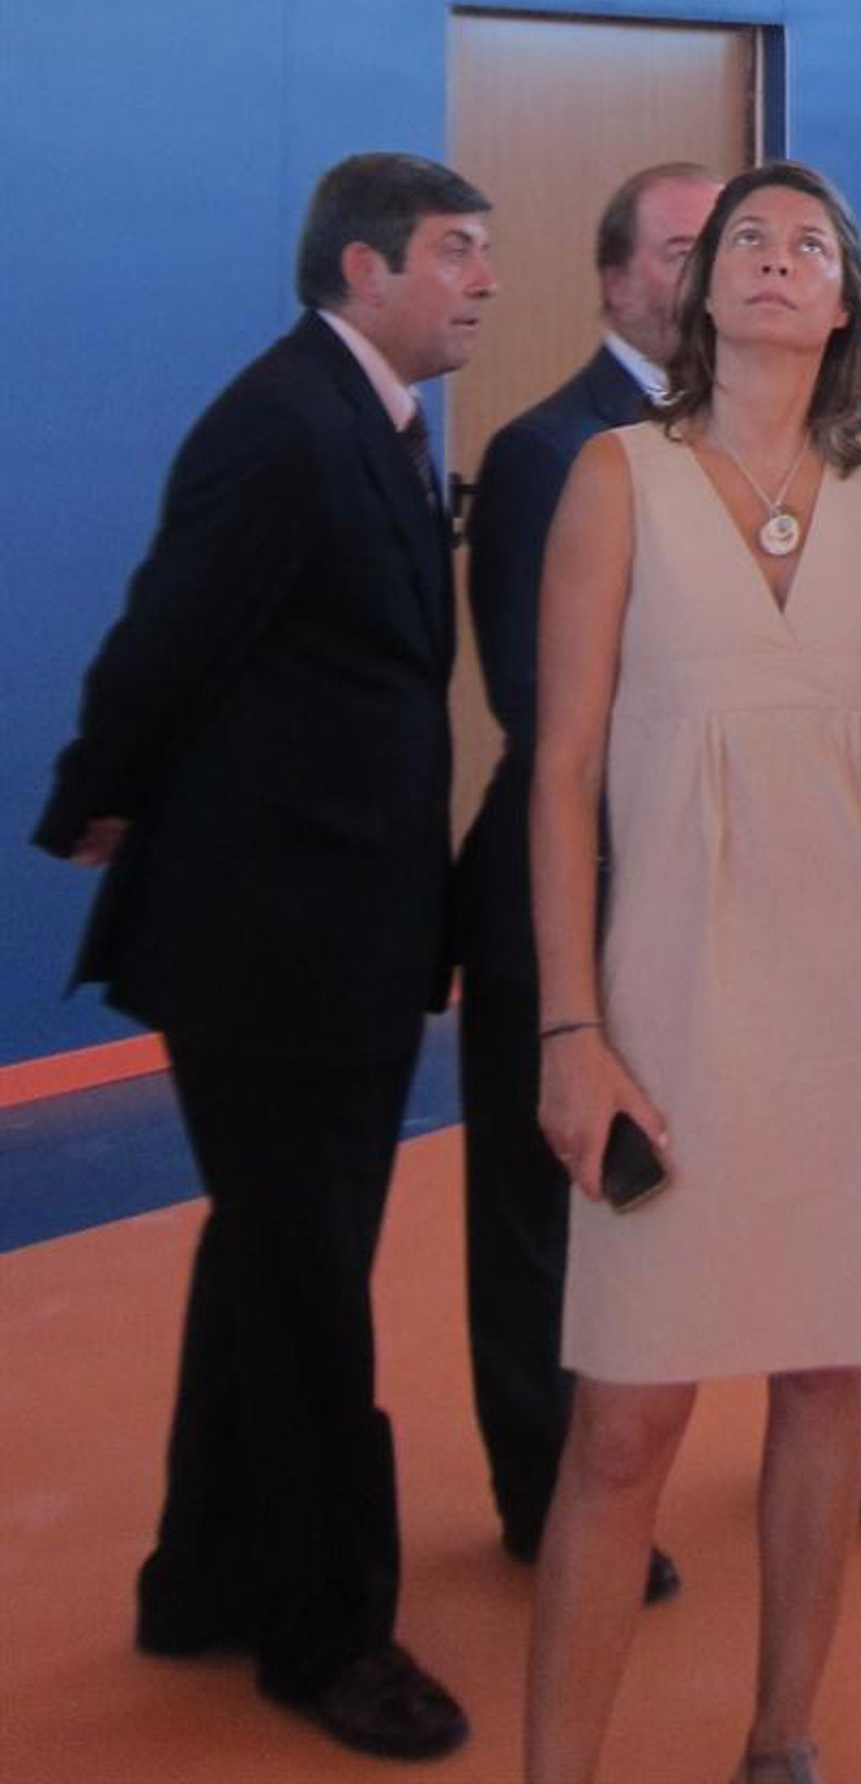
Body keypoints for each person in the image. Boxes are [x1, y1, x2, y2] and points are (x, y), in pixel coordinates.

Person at [524, 162, 861, 1784]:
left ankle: (782, 1737)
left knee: (825, 1372)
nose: (777, 259)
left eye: (810, 244)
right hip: (673, 1001)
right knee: (624, 1422)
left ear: (845, 298)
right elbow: (561, 769)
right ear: (698, 287)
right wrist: (570, 1024)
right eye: (746, 239)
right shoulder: (616, 477)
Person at [31, 152, 498, 1765]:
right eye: (455, 251)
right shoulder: (285, 424)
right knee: (307, 1290)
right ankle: (328, 1635)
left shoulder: (371, 419)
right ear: (363, 267)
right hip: (266, 943)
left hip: (336, 929)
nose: (482, 280)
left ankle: (201, 1578)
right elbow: (168, 632)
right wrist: (92, 795)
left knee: (267, 1260)